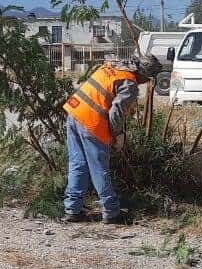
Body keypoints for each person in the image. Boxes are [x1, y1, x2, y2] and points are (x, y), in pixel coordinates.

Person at [61, 55, 162, 224]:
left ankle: (72, 210)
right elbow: (116, 113)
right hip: (92, 124)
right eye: (147, 79)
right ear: (144, 75)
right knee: (99, 168)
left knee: (77, 164)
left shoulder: (112, 66)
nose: (145, 83)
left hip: (74, 113)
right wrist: (117, 135)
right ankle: (111, 212)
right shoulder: (129, 83)